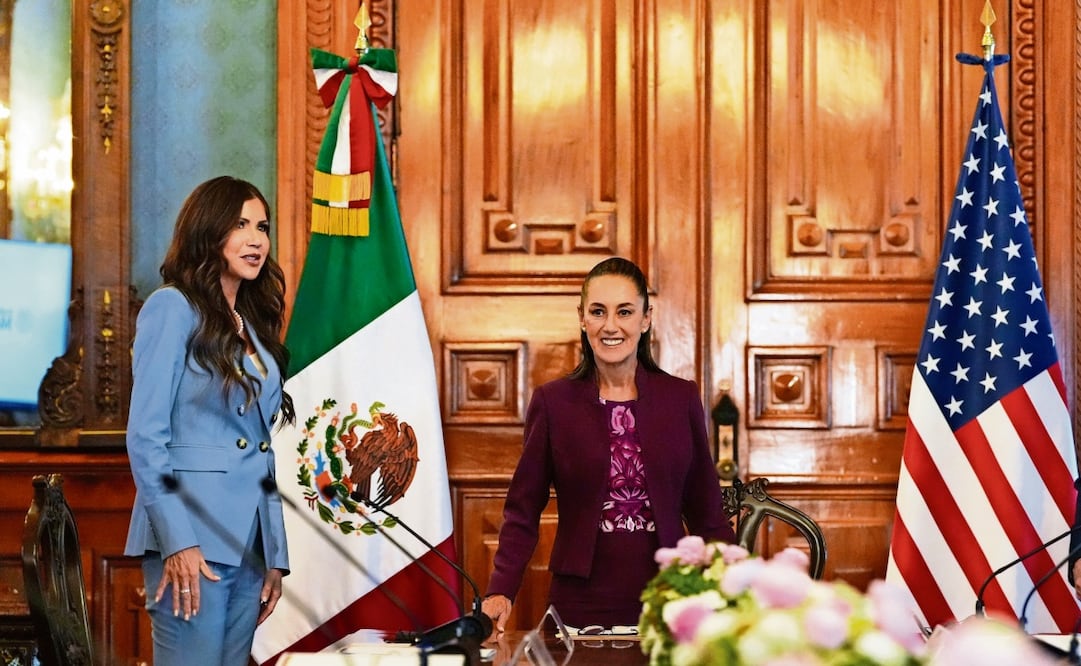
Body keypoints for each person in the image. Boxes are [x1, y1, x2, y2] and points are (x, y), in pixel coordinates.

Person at [481, 256, 736, 633]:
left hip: (667, 599)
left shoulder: (680, 398)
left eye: (625, 312)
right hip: (578, 607)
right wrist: (501, 590)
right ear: (582, 318)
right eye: (598, 312)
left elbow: (706, 511)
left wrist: (740, 589)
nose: (611, 326)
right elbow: (523, 509)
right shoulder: (553, 403)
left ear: (645, 318)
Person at [123, 176, 296, 665]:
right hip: (192, 538)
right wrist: (178, 541)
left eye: (262, 226)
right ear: (208, 230)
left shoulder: (255, 325)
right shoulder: (171, 308)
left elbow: (259, 446)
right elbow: (146, 437)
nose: (256, 239)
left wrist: (274, 555)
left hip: (248, 546)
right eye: (240, 224)